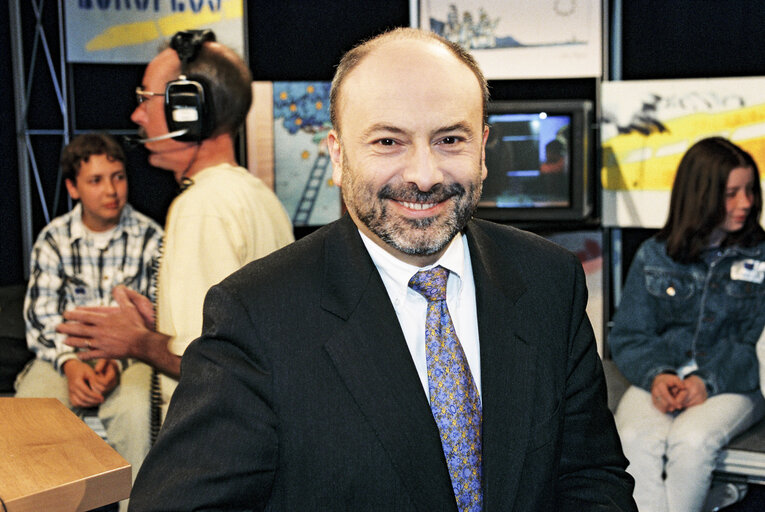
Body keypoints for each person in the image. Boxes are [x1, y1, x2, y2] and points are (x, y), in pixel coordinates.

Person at [127, 27, 636, 511]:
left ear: (483, 149)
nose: (423, 175)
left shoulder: (551, 281)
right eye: (388, 142)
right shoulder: (256, 313)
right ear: (338, 155)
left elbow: (592, 477)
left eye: (450, 140)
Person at [57, 30, 294, 420]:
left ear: (188, 110)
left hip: (218, 443)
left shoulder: (200, 206)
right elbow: (241, 333)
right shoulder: (255, 195)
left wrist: (136, 342)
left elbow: (208, 366)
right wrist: (160, 319)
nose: (136, 115)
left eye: (146, 100)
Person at [609, 137, 765, 512]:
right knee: (633, 437)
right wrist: (658, 375)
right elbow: (630, 334)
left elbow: (756, 344)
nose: (745, 203)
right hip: (662, 377)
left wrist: (707, 381)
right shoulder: (653, 254)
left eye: (749, 190)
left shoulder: (761, 257)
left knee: (691, 443)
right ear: (700, 196)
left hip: (735, 381)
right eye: (731, 193)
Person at [15, 133, 163, 492]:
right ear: (73, 187)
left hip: (130, 357)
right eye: (96, 180)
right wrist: (70, 363)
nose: (111, 190)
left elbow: (156, 313)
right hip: (65, 356)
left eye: (118, 176)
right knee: (26, 420)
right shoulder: (53, 239)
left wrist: (116, 360)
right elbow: (40, 317)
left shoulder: (150, 238)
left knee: (136, 416)